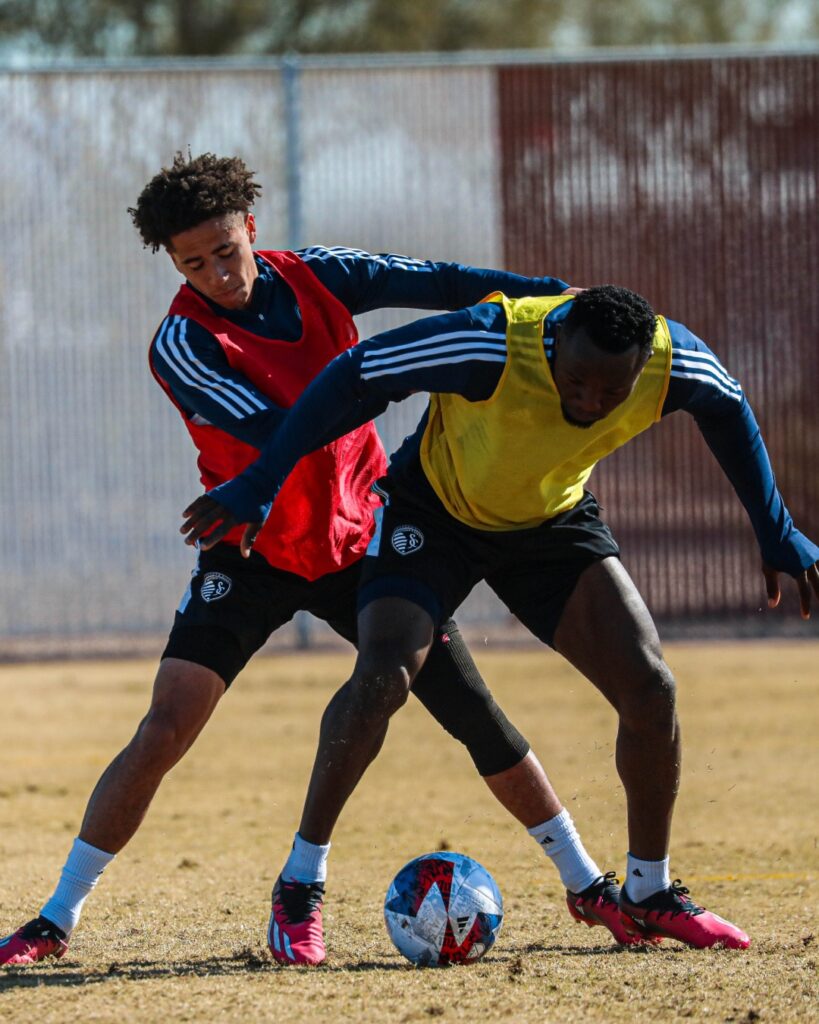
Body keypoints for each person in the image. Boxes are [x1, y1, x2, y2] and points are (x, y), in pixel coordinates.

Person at [0, 154, 632, 969]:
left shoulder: (320, 276)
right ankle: (54, 919)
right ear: (173, 264)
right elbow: (284, 430)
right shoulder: (183, 343)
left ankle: (585, 884)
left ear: (249, 230)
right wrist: (393, 378)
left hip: (362, 539)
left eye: (225, 250)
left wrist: (541, 292)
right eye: (193, 263)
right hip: (251, 551)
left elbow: (441, 280)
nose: (217, 274)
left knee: (469, 708)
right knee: (165, 727)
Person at [182, 284, 819, 951]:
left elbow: (727, 406)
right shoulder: (490, 340)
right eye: (576, 382)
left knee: (650, 686)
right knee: (382, 677)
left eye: (612, 391)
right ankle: (299, 886)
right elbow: (356, 374)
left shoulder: (671, 359)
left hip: (548, 523)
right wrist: (261, 482)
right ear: (557, 338)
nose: (590, 403)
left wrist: (775, 530)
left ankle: (648, 892)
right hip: (432, 517)